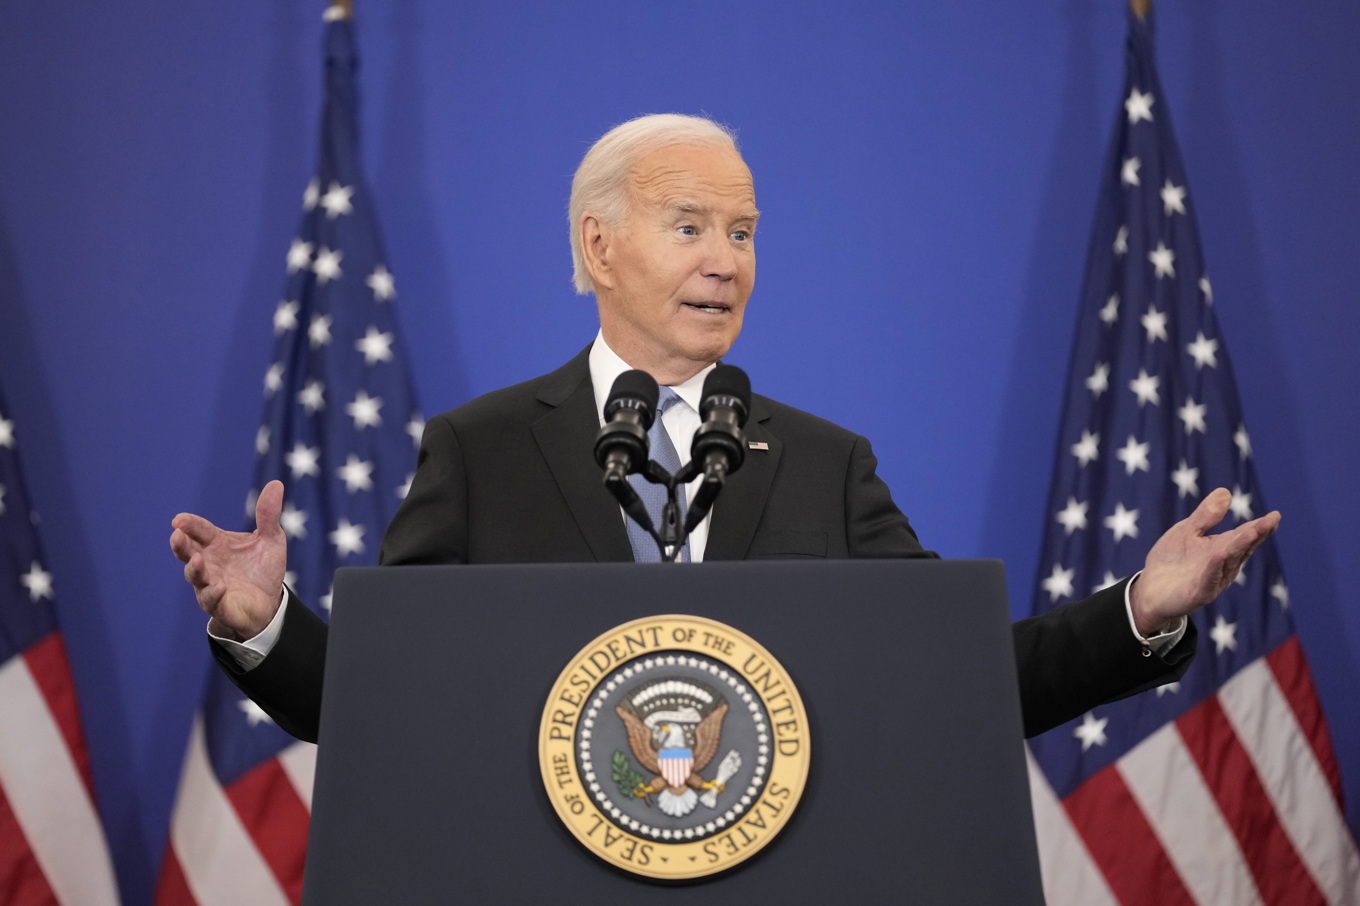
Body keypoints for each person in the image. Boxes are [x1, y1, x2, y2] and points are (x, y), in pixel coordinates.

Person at [170, 114, 1279, 745]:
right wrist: (269, 625)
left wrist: (1140, 609)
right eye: (690, 224)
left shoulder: (824, 463)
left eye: (743, 230)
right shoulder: (482, 449)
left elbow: (959, 677)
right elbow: (388, 700)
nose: (725, 259)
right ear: (599, 249)